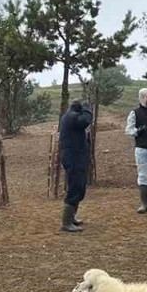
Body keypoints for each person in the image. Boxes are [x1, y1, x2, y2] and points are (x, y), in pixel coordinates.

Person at [58, 100, 93, 233]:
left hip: (76, 156)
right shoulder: (72, 116)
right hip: (73, 157)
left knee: (79, 186)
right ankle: (66, 223)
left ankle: (71, 218)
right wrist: (87, 109)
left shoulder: (70, 116)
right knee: (75, 187)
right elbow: (85, 121)